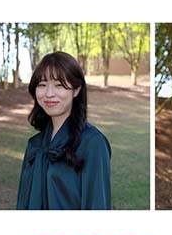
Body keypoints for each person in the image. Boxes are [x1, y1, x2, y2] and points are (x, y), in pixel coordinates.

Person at [16, 52, 111, 210]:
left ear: (76, 90)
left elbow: (97, 206)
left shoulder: (93, 143)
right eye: (42, 85)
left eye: (59, 85)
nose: (49, 94)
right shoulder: (35, 145)